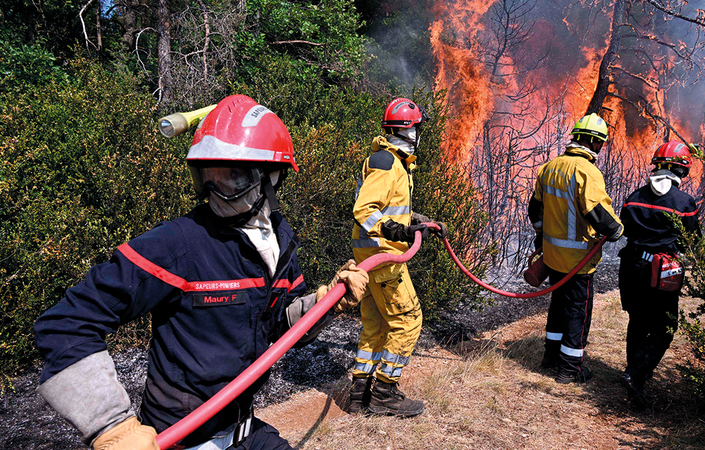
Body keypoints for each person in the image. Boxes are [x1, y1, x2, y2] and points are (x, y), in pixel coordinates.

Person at [33, 94, 370, 450]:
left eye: (231, 177)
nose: (214, 191)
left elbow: (280, 328)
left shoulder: (279, 240)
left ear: (272, 177)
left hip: (242, 429)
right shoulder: (178, 245)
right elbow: (65, 323)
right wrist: (111, 426)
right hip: (181, 439)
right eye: (207, 176)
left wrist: (325, 303)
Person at [347, 98, 445, 418]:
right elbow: (365, 210)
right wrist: (399, 231)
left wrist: (420, 222)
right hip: (382, 257)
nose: (420, 133)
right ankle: (385, 394)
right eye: (418, 127)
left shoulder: (392, 161)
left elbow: (390, 207)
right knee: (408, 320)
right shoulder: (387, 162)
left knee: (375, 324)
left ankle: (359, 393)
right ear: (408, 130)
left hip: (372, 254)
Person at [527, 112, 624, 384]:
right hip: (579, 260)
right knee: (577, 312)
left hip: (553, 256)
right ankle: (570, 368)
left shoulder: (550, 166)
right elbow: (598, 214)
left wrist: (541, 236)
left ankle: (550, 357)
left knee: (558, 305)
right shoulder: (588, 172)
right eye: (600, 143)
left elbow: (534, 209)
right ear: (594, 142)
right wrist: (617, 229)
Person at [618, 140, 699, 408]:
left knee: (638, 321)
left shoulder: (634, 196)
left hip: (631, 266)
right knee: (665, 327)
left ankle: (635, 381)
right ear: (682, 170)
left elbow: (625, 228)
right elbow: (692, 242)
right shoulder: (684, 202)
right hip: (660, 271)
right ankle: (636, 373)